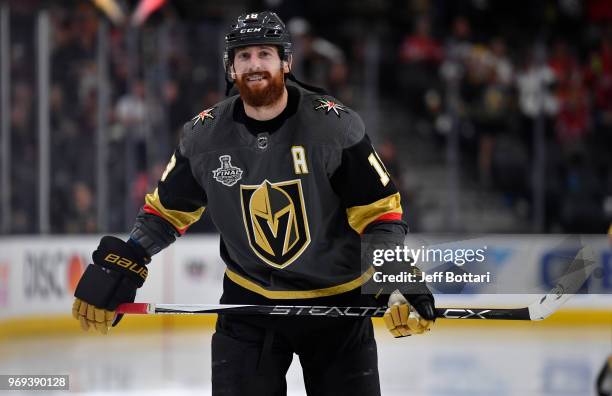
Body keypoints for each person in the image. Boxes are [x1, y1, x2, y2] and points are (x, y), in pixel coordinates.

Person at [71, 11, 435, 395]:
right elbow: (164, 212)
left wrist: (394, 276)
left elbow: (380, 215)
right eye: (243, 56)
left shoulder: (334, 126)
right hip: (250, 306)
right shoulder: (205, 135)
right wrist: (127, 260)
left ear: (286, 62)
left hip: (336, 308)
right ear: (230, 68)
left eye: (265, 53)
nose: (254, 64)